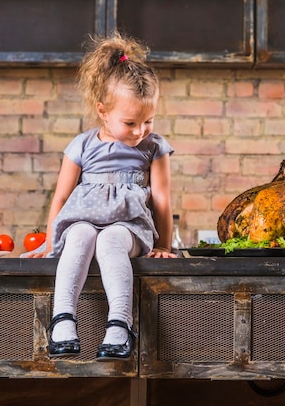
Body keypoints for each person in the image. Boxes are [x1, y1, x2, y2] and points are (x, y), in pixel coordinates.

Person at [25, 32, 176, 361]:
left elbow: (162, 199)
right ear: (103, 111)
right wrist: (50, 242)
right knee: (78, 234)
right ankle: (63, 321)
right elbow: (61, 198)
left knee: (110, 240)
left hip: (130, 227)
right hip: (84, 220)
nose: (139, 131)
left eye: (148, 121)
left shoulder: (154, 148)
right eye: (130, 122)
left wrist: (164, 245)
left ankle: (120, 325)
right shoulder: (81, 145)